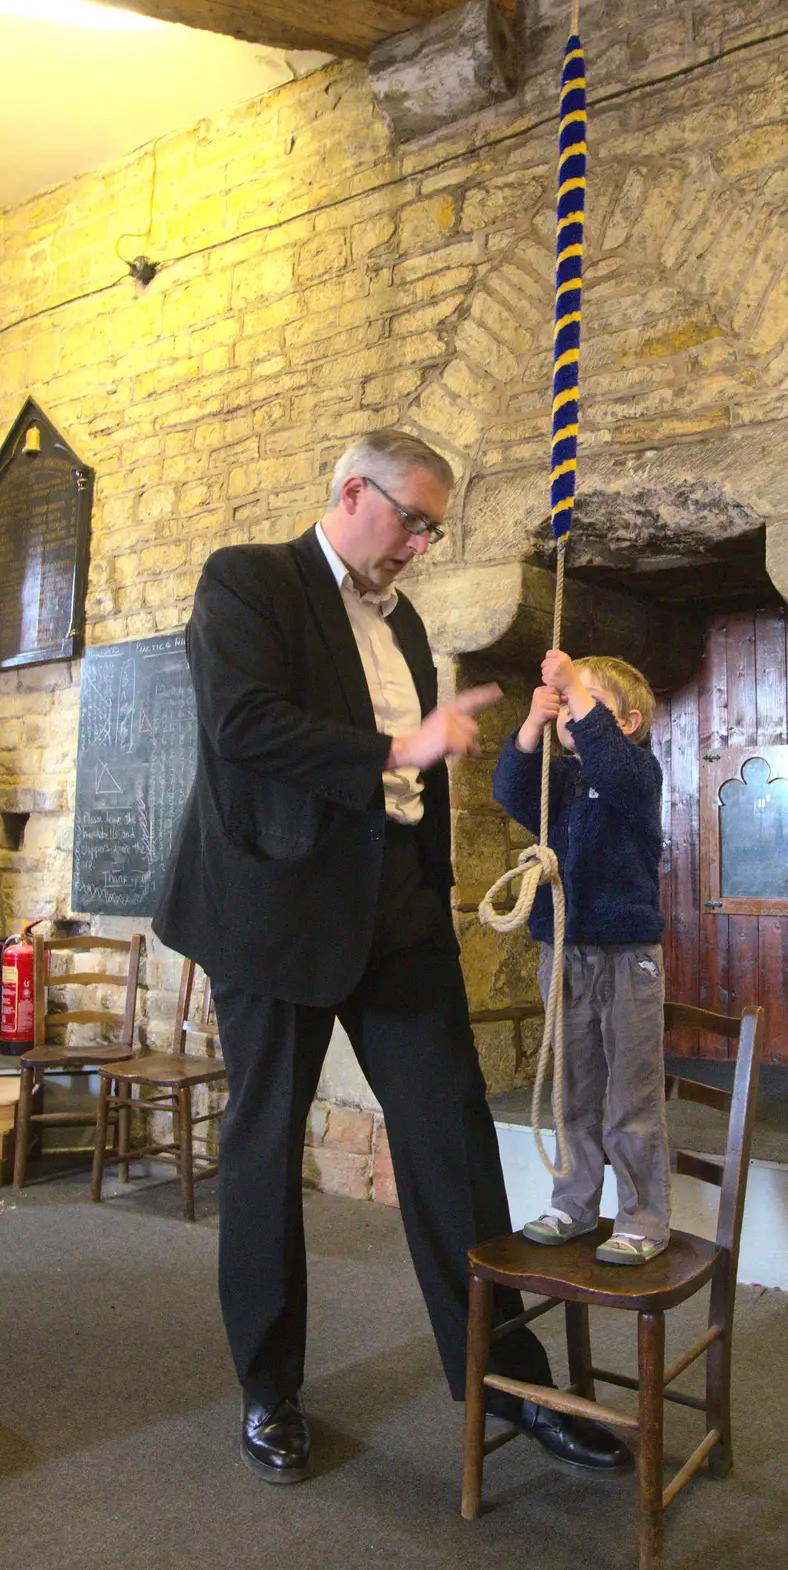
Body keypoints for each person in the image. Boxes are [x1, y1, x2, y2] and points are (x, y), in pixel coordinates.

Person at [153, 430, 631, 1482]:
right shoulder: (248, 581)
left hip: (395, 916)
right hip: (271, 911)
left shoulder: (403, 620)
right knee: (266, 1152)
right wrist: (393, 750)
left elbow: (417, 782)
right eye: (411, 518)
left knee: (452, 1142)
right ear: (352, 491)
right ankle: (270, 1393)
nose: (420, 543)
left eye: (433, 528)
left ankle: (506, 1378)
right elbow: (243, 725)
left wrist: (433, 889)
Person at [492, 649, 670, 1265]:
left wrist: (571, 684)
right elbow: (510, 791)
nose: (571, 705)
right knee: (573, 1085)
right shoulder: (560, 781)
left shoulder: (639, 774)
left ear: (626, 722)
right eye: (566, 699)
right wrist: (531, 725)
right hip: (565, 951)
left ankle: (642, 1217)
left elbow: (615, 771)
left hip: (627, 955)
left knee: (632, 1094)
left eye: (585, 699)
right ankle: (573, 1202)